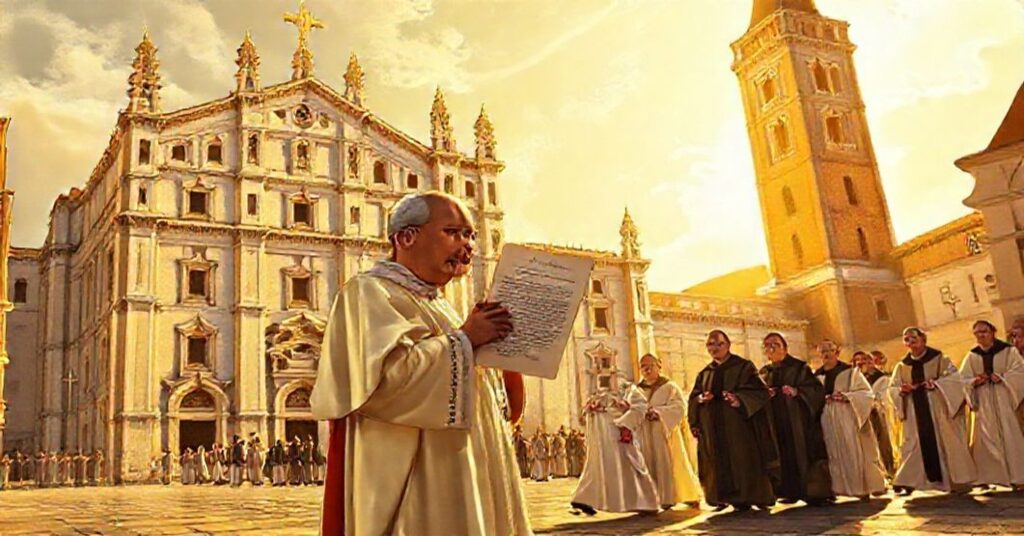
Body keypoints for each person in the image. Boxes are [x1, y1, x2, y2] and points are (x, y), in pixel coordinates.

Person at [310, 192, 531, 536]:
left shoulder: (439, 304)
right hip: (415, 480)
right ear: (406, 237)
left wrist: (500, 356)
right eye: (453, 232)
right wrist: (466, 339)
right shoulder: (368, 293)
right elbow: (386, 383)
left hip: (464, 468)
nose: (467, 245)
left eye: (471, 235)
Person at [689, 330, 778, 512]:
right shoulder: (705, 373)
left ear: (728, 345)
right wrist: (700, 400)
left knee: (742, 460)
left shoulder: (743, 367)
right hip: (712, 427)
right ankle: (720, 497)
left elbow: (760, 392)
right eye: (711, 344)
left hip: (738, 426)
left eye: (719, 344)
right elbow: (694, 397)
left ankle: (748, 497)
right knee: (715, 461)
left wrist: (739, 399)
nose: (714, 348)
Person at [889, 327, 976, 495]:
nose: (910, 342)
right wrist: (902, 390)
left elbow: (954, 380)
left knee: (943, 442)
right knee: (914, 444)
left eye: (913, 338)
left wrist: (936, 384)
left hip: (937, 408)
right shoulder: (902, 366)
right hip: (914, 410)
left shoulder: (939, 359)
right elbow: (892, 388)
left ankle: (952, 482)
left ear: (923, 339)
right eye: (906, 339)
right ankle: (910, 481)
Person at [758, 333, 833, 506]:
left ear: (785, 348)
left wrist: (797, 392)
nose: (771, 348)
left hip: (798, 421)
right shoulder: (765, 372)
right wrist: (766, 394)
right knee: (782, 455)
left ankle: (812, 492)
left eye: (775, 344)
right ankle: (788, 491)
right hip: (776, 421)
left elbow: (815, 390)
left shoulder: (799, 368)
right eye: (767, 345)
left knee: (803, 455)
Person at [570, 382, 659, 515]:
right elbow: (589, 411)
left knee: (630, 463)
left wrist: (625, 420)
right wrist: (593, 410)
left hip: (620, 431)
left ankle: (643, 503)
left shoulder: (626, 388)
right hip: (602, 435)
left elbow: (639, 407)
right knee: (600, 465)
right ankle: (584, 498)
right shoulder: (597, 392)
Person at [816, 341, 886, 499]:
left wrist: (846, 396)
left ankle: (861, 488)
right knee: (833, 452)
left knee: (854, 451)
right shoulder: (817, 375)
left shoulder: (850, 372)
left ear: (837, 352)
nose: (826, 354)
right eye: (822, 351)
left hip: (849, 415)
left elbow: (866, 393)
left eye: (829, 350)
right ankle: (839, 488)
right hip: (828, 417)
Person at [961, 321, 1024, 489]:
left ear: (993, 332)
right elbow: (962, 379)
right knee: (985, 438)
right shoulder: (972, 356)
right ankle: (988, 477)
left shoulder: (1008, 351)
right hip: (984, 402)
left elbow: (1020, 371)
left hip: (1004, 400)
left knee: (1010, 435)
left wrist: (1002, 377)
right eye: (977, 333)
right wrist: (974, 381)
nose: (981, 335)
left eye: (984, 331)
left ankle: (1018, 477)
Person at [637, 353, 701, 510]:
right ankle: (650, 500)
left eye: (650, 366)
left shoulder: (669, 387)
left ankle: (676, 496)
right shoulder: (637, 390)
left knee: (671, 464)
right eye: (643, 367)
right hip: (644, 433)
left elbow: (679, 406)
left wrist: (658, 413)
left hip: (665, 432)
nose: (647, 370)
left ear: (659, 366)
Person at [858, 350, 896, 479]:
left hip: (878, 414)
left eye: (869, 361)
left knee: (883, 442)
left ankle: (890, 471)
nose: (866, 364)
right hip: (862, 415)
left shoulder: (882, 378)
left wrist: (874, 401)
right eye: (863, 361)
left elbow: (885, 395)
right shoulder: (858, 378)